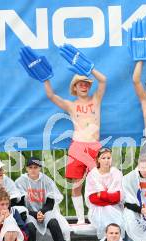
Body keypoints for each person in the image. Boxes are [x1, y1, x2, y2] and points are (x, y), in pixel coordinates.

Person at [44, 62, 106, 224]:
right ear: (75, 88)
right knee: (76, 185)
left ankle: (95, 216)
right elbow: (51, 95)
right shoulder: (71, 105)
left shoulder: (96, 100)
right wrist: (45, 79)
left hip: (95, 146)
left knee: (99, 183)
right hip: (78, 146)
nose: (84, 86)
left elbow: (103, 80)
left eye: (86, 84)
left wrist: (91, 68)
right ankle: (80, 218)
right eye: (80, 84)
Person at [15, 156, 70, 241]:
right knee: (30, 227)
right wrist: (35, 214)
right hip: (28, 213)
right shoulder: (20, 182)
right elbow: (20, 205)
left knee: (53, 223)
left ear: (40, 168)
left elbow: (50, 202)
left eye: (35, 167)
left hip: (44, 211)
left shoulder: (46, 181)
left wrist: (41, 212)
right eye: (30, 167)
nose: (33, 170)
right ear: (26, 168)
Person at [85, 148, 124, 239]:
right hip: (97, 209)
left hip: (115, 208)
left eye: (108, 158)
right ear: (98, 160)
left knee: (119, 222)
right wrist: (110, 197)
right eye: (103, 158)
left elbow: (118, 197)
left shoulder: (117, 174)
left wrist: (102, 195)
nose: (106, 161)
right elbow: (93, 199)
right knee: (104, 222)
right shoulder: (92, 175)